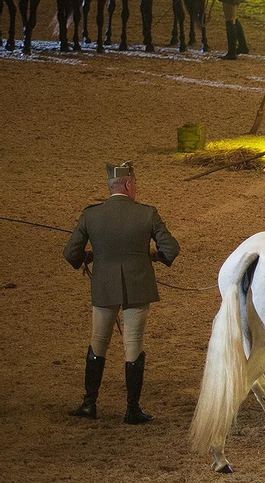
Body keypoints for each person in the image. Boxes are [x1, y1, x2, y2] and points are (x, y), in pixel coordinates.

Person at [63, 161, 180, 424]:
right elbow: (171, 249)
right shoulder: (147, 214)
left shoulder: (90, 215)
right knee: (133, 345)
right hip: (138, 288)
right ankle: (132, 409)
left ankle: (89, 403)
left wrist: (90, 256)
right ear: (128, 184)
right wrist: (154, 255)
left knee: (98, 342)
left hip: (103, 286)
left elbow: (71, 254)